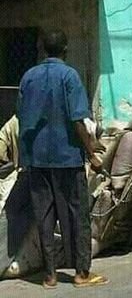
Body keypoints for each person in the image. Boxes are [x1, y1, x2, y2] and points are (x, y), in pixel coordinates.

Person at [17, 30, 108, 289]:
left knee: (44, 218)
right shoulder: (69, 76)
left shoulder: (28, 78)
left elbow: (21, 118)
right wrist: (92, 153)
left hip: (36, 160)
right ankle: (81, 273)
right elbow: (77, 120)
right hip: (67, 159)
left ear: (43, 49)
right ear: (65, 49)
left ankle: (50, 276)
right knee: (77, 217)